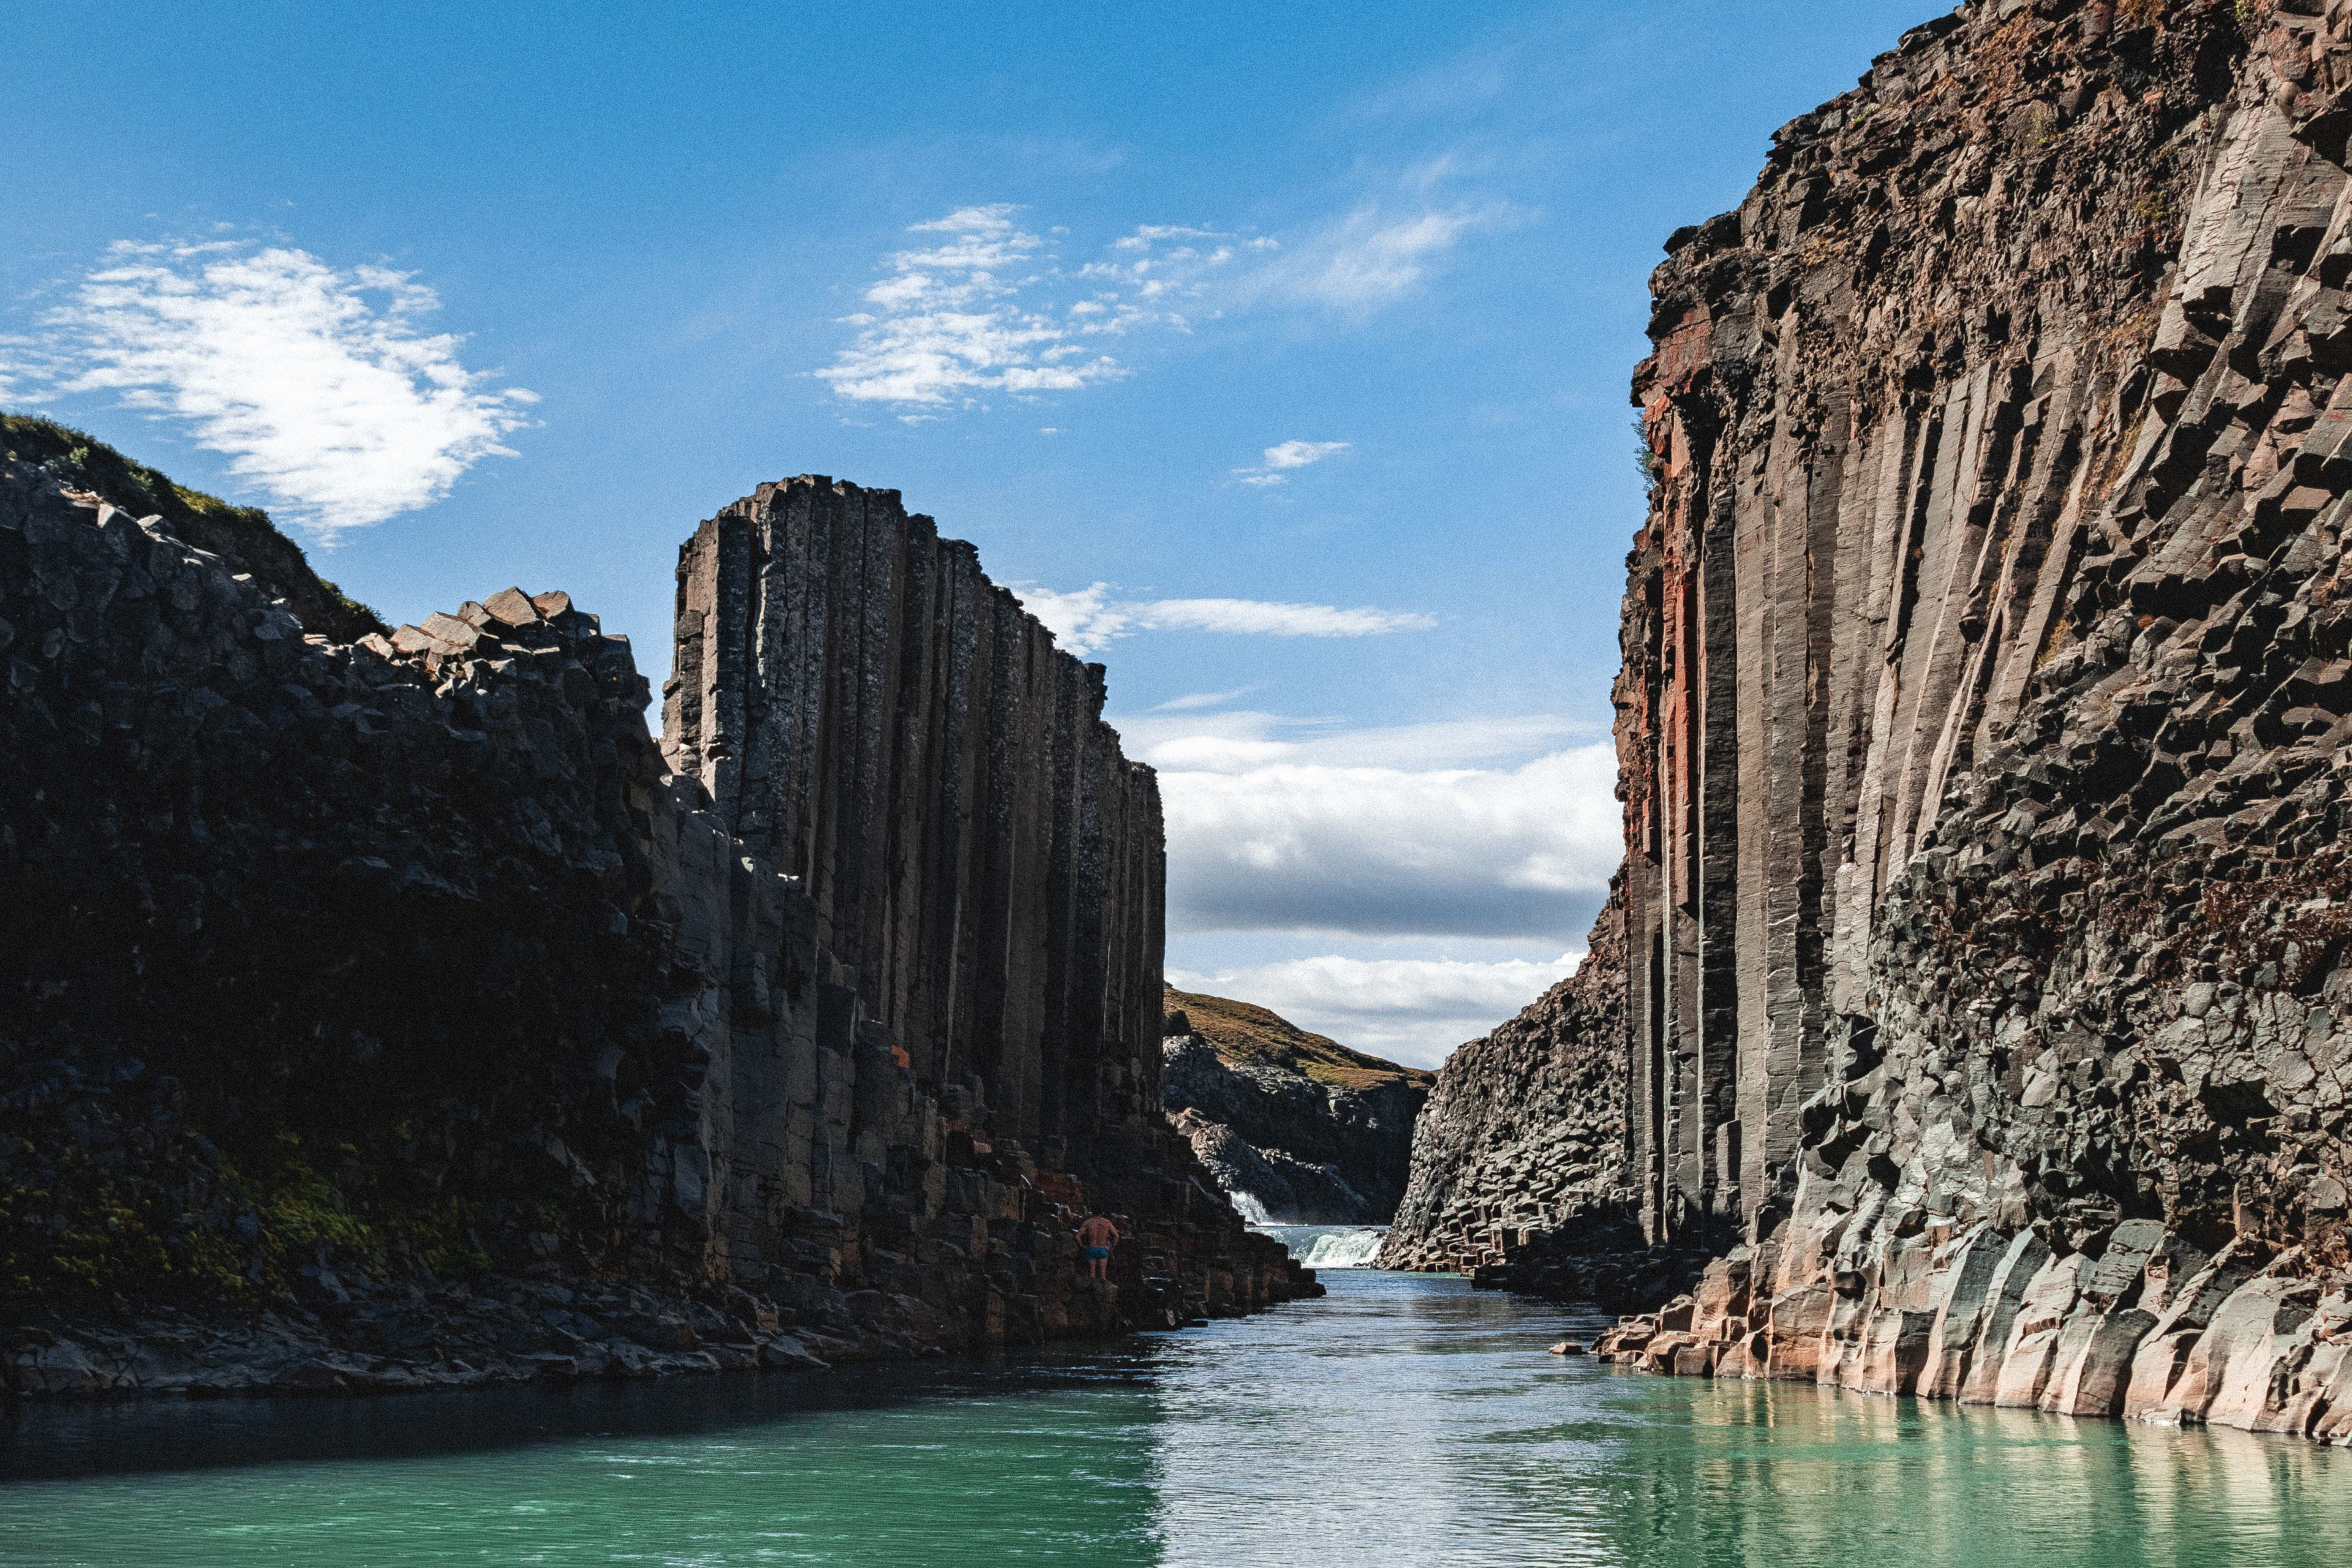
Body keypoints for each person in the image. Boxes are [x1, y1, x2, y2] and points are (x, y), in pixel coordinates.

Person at [1077, 1213, 1118, 1280]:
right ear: (1102, 1213)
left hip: (1091, 1249)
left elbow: (1078, 1236)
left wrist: (1082, 1246)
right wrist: (1111, 1248)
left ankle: (1092, 1287)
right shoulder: (1107, 1222)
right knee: (1103, 1277)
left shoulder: (1088, 1222)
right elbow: (1116, 1236)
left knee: (1092, 1276)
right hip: (1103, 1250)